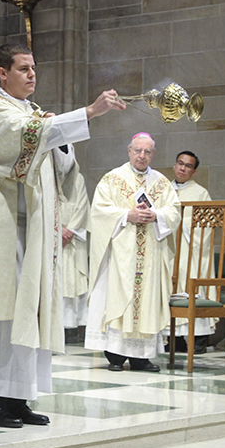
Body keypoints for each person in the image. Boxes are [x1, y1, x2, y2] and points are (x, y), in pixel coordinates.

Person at [0, 42, 125, 428]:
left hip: (34, 229)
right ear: (3, 74)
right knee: (3, 313)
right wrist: (87, 112)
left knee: (30, 312)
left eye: (34, 67)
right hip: (4, 229)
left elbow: (62, 167)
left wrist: (59, 135)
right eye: (23, 68)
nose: (32, 74)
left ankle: (19, 395)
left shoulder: (34, 113)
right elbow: (22, 139)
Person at [84, 133, 181, 372]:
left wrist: (157, 215)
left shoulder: (161, 182)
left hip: (150, 253)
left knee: (146, 301)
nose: (142, 156)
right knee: (119, 298)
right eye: (138, 150)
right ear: (129, 150)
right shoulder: (113, 178)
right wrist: (127, 215)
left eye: (147, 152)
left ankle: (141, 358)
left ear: (153, 154)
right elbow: (99, 211)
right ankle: (115, 356)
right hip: (121, 253)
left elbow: (175, 210)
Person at [169, 150, 215, 355]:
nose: (182, 168)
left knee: (191, 291)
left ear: (194, 171)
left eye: (188, 166)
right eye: (180, 163)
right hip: (168, 251)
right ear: (174, 165)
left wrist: (179, 225)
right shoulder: (163, 190)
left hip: (191, 251)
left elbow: (207, 226)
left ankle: (197, 339)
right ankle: (173, 340)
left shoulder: (201, 193)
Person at [56, 146, 90, 333]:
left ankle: (70, 326)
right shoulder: (45, 178)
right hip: (51, 237)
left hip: (72, 238)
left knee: (72, 278)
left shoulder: (78, 179)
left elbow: (83, 206)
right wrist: (56, 229)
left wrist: (69, 230)